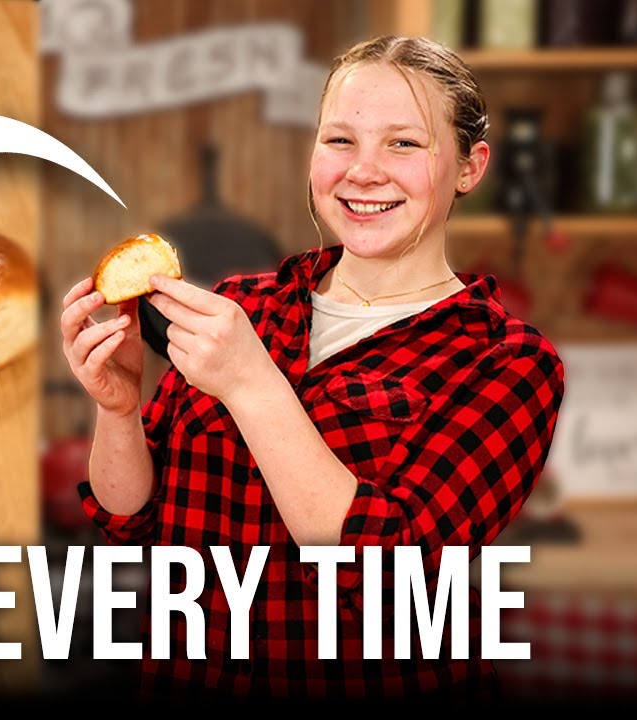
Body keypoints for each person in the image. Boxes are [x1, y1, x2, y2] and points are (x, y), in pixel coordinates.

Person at [59, 36, 565, 701]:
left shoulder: (509, 363)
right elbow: (135, 523)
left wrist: (251, 383)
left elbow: (389, 573)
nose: (364, 171)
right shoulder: (243, 305)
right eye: (340, 141)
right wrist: (118, 409)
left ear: (470, 168)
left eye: (404, 144)